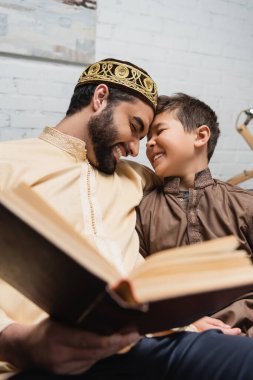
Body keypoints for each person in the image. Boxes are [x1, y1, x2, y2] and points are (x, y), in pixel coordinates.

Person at [1, 64, 253, 380]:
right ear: (100, 97)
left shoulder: (134, 177)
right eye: (134, 126)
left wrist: (187, 324)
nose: (137, 148)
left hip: (143, 346)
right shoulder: (7, 162)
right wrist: (16, 341)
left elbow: (191, 182)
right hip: (38, 360)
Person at [136, 92, 253, 336]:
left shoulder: (244, 205)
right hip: (177, 340)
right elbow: (139, 288)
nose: (148, 142)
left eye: (159, 131)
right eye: (147, 137)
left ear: (200, 136)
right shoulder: (142, 212)